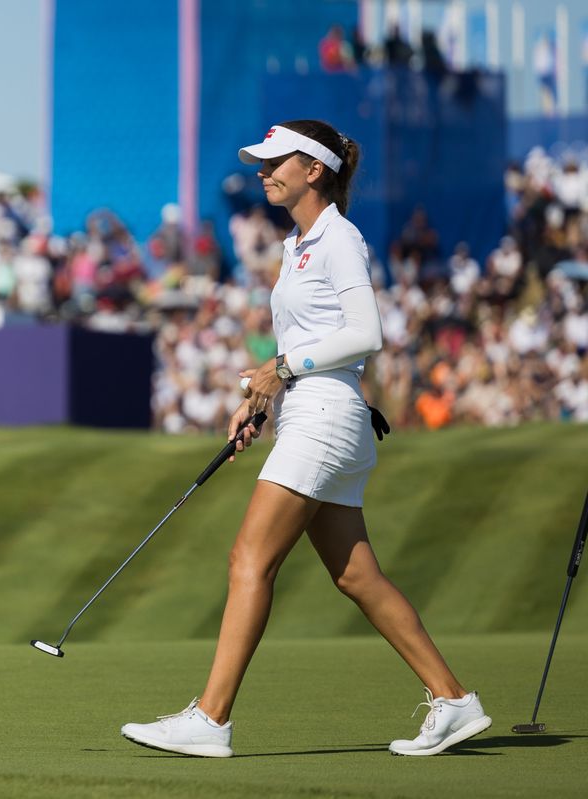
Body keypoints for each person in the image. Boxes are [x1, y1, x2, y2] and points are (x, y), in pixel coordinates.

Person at [119, 120, 491, 757]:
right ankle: (455, 702)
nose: (264, 172)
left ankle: (210, 720)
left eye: (275, 162)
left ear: (314, 169)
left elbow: (365, 333)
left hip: (326, 418)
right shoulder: (298, 245)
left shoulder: (339, 238)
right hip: (315, 414)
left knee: (249, 560)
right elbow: (306, 344)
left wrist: (281, 370)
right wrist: (262, 400)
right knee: (357, 576)